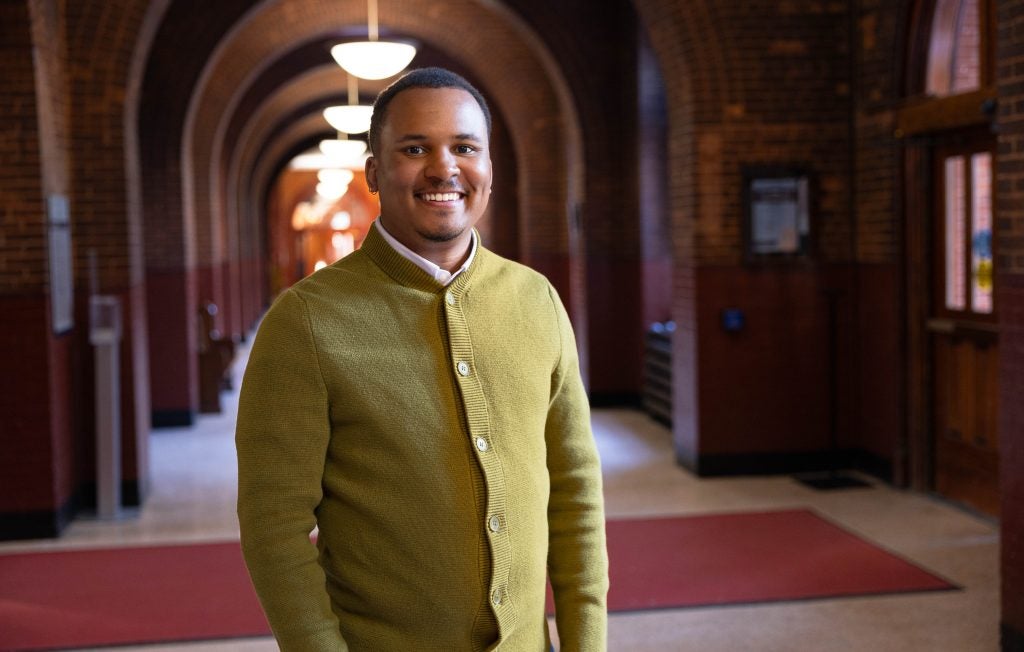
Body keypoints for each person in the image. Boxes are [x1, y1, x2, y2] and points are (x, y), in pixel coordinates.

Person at [236, 67, 608, 651]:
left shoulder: (537, 300)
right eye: (415, 148)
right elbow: (274, 528)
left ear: (489, 167)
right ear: (375, 171)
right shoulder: (304, 322)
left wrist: (587, 643)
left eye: (465, 147)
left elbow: (575, 487)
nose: (444, 168)